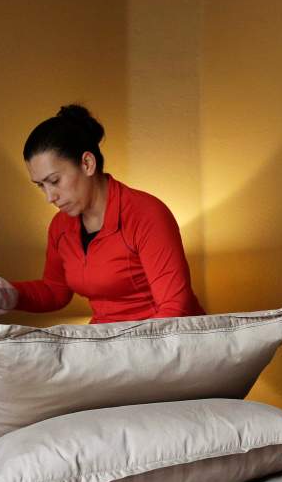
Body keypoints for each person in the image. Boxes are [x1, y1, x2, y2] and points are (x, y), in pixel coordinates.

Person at [12, 104, 205, 323]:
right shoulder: (60, 226)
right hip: (109, 343)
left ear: (87, 163)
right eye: (40, 185)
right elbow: (54, 291)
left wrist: (126, 354)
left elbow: (174, 308)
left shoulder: (146, 214)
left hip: (164, 343)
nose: (50, 197)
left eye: (54, 181)